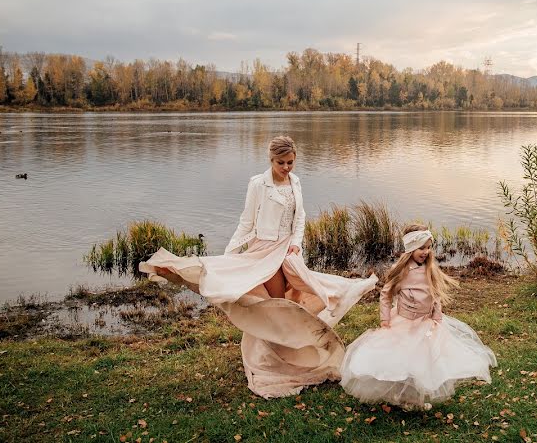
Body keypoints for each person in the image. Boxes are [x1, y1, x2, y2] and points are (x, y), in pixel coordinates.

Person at [140, 135, 377, 398]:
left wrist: (297, 244)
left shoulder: (295, 182)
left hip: (288, 253)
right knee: (275, 305)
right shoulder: (258, 184)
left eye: (290, 162)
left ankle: (302, 345)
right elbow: (246, 221)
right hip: (265, 252)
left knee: (308, 291)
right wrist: (231, 255)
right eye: (281, 163)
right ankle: (276, 360)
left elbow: (300, 219)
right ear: (271, 159)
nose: (286, 168)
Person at [340, 224, 496, 409]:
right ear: (411, 249)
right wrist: (385, 318)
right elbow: (386, 294)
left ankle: (415, 398)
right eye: (421, 248)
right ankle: (405, 397)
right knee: (403, 359)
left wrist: (437, 317)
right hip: (405, 321)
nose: (426, 252)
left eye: (429, 247)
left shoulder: (430, 268)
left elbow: (435, 294)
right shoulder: (402, 271)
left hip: (426, 321)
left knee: (425, 359)